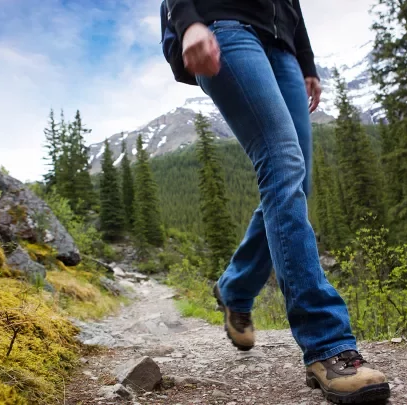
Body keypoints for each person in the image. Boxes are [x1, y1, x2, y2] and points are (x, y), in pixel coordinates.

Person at [167, 0, 390, 403]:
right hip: (224, 27)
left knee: (293, 181)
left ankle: (235, 287)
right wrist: (188, 23)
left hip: (283, 47)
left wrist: (307, 64)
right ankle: (327, 345)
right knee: (282, 162)